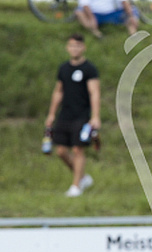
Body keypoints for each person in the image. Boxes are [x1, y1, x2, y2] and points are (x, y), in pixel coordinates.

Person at [44, 33, 100, 198]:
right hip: (65, 115)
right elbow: (58, 92)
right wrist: (51, 114)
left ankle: (76, 186)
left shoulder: (89, 69)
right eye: (71, 46)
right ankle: (82, 177)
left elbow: (94, 93)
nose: (74, 49)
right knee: (61, 151)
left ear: (83, 48)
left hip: (81, 115)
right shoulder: (64, 68)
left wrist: (95, 116)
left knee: (78, 149)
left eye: (78, 46)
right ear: (67, 48)